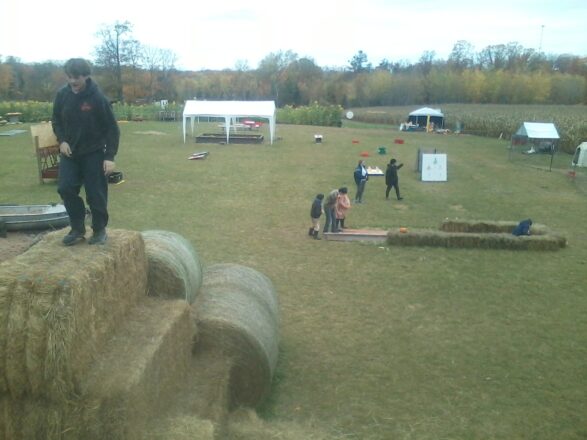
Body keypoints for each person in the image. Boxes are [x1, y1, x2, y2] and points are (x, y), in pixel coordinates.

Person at [52, 58, 120, 246]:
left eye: (77, 78)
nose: (73, 81)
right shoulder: (62, 95)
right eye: (70, 77)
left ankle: (99, 229)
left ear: (86, 76)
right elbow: (56, 120)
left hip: (93, 153)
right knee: (65, 188)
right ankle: (77, 228)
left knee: (95, 193)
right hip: (70, 153)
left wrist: (109, 157)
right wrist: (62, 140)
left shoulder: (97, 98)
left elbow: (112, 129)